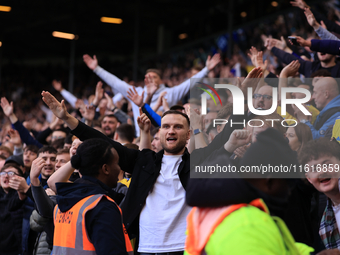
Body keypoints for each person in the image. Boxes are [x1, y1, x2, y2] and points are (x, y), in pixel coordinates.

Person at [42, 90, 192, 254]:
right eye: (166, 127)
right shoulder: (144, 162)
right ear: (160, 132)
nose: (171, 131)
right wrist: (67, 118)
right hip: (147, 248)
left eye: (178, 127)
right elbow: (103, 141)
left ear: (189, 134)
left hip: (185, 247)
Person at [185, 128, 314, 255]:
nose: (289, 192)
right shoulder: (247, 224)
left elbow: (276, 246)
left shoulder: (237, 210)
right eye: (287, 185)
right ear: (269, 181)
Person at [83, 53, 221, 136]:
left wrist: (206, 69)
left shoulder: (169, 93)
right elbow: (115, 82)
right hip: (139, 136)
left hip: (162, 136)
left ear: (161, 81)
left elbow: (189, 83)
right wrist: (97, 69)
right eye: (147, 77)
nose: (150, 79)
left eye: (154, 77)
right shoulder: (136, 93)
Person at [51, 138, 133, 254]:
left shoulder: (61, 205)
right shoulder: (102, 206)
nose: (120, 168)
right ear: (106, 168)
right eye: (117, 163)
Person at [299, 138, 340, 250]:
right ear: (309, 179)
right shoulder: (325, 224)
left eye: (327, 165)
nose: (322, 171)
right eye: (315, 168)